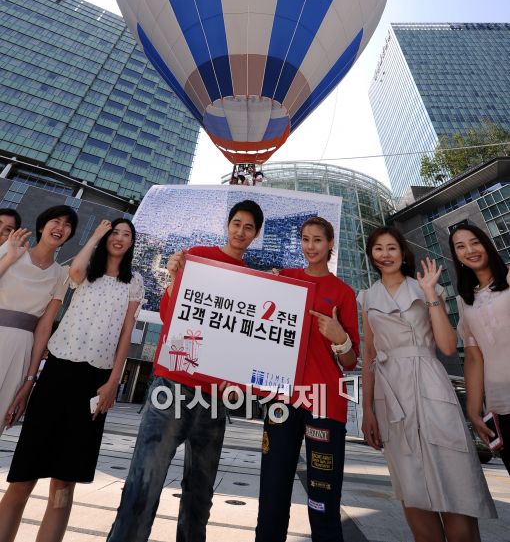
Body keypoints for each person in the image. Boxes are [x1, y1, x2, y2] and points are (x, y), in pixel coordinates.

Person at [106, 199, 264, 542]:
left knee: (200, 495)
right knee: (143, 482)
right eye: (236, 223)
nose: (241, 231)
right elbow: (168, 316)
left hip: (213, 397)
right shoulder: (196, 256)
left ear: (255, 235)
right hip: (171, 384)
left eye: (249, 227)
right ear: (228, 225)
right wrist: (174, 278)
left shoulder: (256, 281)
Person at [0, 218, 144, 542]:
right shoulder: (81, 273)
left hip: (95, 381)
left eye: (126, 235)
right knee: (24, 474)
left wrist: (113, 382)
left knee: (64, 484)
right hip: (58, 372)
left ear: (132, 243)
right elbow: (76, 269)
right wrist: (95, 233)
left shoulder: (134, 283)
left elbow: (125, 334)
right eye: (114, 233)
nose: (119, 238)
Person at [360, 226, 496, 542]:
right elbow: (369, 354)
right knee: (412, 491)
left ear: (403, 252)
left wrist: (432, 294)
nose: (385, 254)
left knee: (456, 486)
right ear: (371, 255)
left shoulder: (425, 288)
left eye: (391, 247)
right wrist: (367, 410)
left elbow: (448, 347)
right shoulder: (366, 297)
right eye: (378, 249)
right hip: (390, 394)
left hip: (431, 384)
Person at [255, 216, 359, 542]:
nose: (310, 246)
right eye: (305, 239)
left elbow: (350, 360)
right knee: (272, 497)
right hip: (281, 400)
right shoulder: (284, 279)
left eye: (317, 240)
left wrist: (339, 337)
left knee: (322, 501)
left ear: (330, 245)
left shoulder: (343, 293)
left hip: (324, 402)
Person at [0, 205, 78, 437]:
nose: (60, 227)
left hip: (20, 350)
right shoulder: (10, 250)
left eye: (67, 225)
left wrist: (29, 381)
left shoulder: (61, 275)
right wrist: (10, 258)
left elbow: (44, 329)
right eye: (56, 221)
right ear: (42, 226)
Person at [449, 223, 510, 473]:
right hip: (499, 404)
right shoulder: (465, 301)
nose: (469, 250)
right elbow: (474, 358)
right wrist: (473, 411)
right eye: (460, 247)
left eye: (475, 242)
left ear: (487, 243)